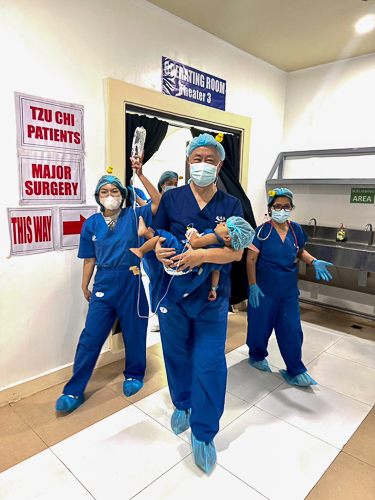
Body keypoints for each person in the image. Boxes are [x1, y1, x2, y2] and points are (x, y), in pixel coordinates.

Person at [144, 133, 246, 473]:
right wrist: (158, 251)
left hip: (212, 301)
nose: (201, 165)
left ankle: (204, 432)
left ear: (220, 165)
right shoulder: (172, 199)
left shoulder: (230, 205)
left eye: (209, 160)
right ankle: (183, 404)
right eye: (195, 158)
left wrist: (199, 254)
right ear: (188, 162)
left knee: (210, 362)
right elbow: (157, 236)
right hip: (174, 295)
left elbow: (236, 251)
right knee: (175, 354)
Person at [55, 158, 161, 412]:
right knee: (90, 338)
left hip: (131, 280)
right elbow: (89, 258)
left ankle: (134, 374)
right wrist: (84, 285)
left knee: (134, 332)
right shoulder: (91, 223)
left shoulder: (134, 214)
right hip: (103, 282)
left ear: (123, 195)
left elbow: (158, 203)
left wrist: (141, 175)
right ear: (98, 196)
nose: (110, 195)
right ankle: (73, 390)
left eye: (115, 191)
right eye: (105, 191)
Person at [246, 187, 334, 386]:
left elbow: (300, 252)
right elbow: (250, 260)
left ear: (291, 208)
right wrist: (252, 286)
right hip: (263, 290)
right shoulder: (262, 232)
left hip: (288, 290)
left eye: (286, 206)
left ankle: (295, 369)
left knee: (291, 330)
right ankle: (257, 356)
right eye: (277, 206)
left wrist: (313, 261)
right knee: (260, 327)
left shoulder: (296, 230)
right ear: (270, 208)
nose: (282, 210)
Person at [130, 215, 254, 301]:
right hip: (185, 269)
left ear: (227, 238)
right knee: (164, 241)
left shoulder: (214, 237)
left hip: (180, 256)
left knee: (163, 236)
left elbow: (194, 243)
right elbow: (216, 273)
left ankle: (142, 245)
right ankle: (146, 237)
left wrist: (192, 232)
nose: (220, 223)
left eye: (223, 225)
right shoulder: (219, 257)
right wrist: (213, 289)